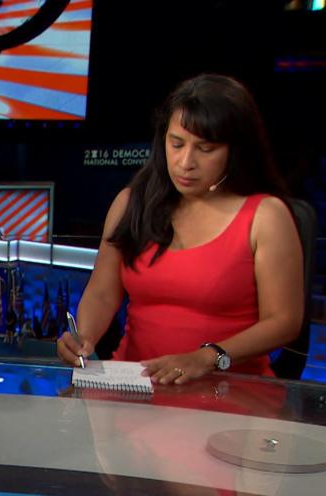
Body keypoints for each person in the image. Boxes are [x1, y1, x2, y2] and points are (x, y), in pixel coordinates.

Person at [57, 74, 304, 384]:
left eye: (206, 149)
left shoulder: (266, 216)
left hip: (230, 391)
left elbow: (283, 321)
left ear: (235, 150)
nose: (186, 162)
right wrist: (84, 337)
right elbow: (103, 293)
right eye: (176, 144)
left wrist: (207, 357)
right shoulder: (131, 203)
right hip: (134, 384)